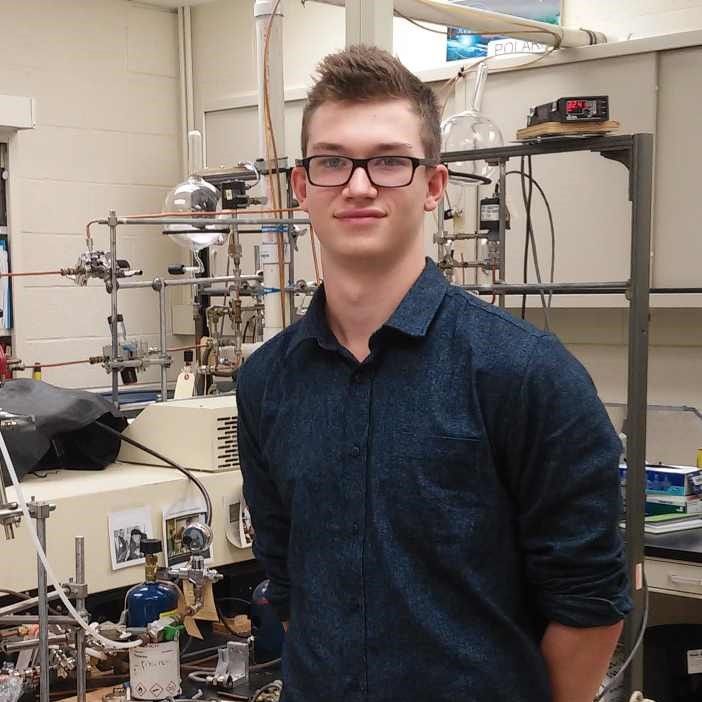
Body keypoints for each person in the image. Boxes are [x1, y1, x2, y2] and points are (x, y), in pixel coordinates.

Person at [237, 45, 631, 702]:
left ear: (433, 186)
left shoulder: (526, 375)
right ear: (302, 187)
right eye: (332, 161)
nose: (358, 185)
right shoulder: (267, 383)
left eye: (389, 161)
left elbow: (590, 605)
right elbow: (289, 587)